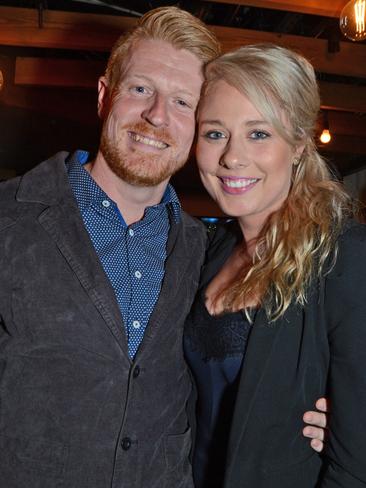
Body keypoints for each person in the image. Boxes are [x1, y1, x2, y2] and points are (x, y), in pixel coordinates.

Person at [0, 7, 326, 488]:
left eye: (182, 103)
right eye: (140, 89)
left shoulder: (208, 250)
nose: (157, 116)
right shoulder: (10, 218)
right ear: (104, 96)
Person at [184, 42, 366, 488]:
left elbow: (355, 469)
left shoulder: (344, 257)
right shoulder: (212, 248)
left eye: (259, 133)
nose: (231, 156)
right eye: (214, 133)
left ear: (300, 145)